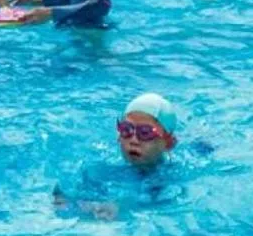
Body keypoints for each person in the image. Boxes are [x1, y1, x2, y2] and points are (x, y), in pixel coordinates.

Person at [52, 93, 192, 220]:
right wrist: (64, 197)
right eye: (126, 130)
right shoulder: (102, 170)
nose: (134, 140)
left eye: (145, 132)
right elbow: (67, 194)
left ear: (169, 143)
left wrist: (122, 207)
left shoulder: (172, 177)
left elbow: (160, 204)